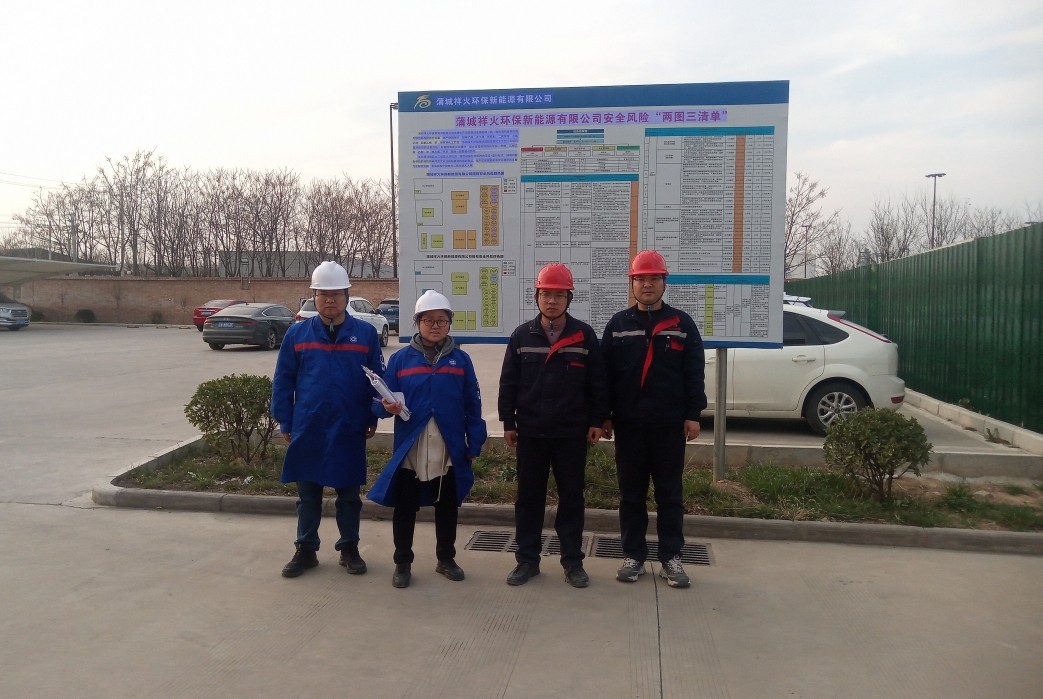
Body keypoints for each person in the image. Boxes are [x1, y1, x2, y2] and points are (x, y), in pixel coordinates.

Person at [272, 261, 385, 578]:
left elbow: (376, 380)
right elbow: (283, 381)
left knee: (349, 495)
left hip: (349, 425)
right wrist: (286, 421)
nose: (329, 300)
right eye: (323, 294)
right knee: (307, 495)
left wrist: (372, 416)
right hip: (309, 426)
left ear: (347, 295)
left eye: (336, 294)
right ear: (314, 297)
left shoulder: (365, 334)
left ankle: (349, 548)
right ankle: (306, 549)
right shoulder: (297, 334)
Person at [367, 290, 488, 589]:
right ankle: (402, 563)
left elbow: (472, 404)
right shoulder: (400, 360)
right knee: (405, 507)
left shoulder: (461, 360)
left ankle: (446, 558)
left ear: (449, 323)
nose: (435, 326)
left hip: (448, 446)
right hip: (412, 446)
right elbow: (379, 400)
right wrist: (385, 406)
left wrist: (474, 441)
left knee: (447, 505)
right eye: (428, 320)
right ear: (417, 323)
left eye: (441, 320)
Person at [498, 263, 608, 588]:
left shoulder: (584, 335)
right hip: (531, 432)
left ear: (569, 299)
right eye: (546, 294)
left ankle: (572, 562)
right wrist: (508, 422)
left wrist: (596, 420)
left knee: (571, 499)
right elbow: (508, 384)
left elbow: (597, 383)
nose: (552, 301)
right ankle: (527, 561)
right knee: (528, 499)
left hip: (570, 433)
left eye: (559, 295)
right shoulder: (521, 336)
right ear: (537, 296)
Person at [601, 250, 706, 588]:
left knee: (670, 495)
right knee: (630, 495)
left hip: (668, 426)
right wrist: (604, 416)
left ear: (664, 282)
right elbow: (605, 376)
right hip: (629, 426)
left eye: (654, 278)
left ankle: (671, 558)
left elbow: (694, 372)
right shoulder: (618, 325)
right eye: (641, 279)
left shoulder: (681, 324)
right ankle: (633, 555)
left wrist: (693, 414)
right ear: (632, 283)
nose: (647, 284)